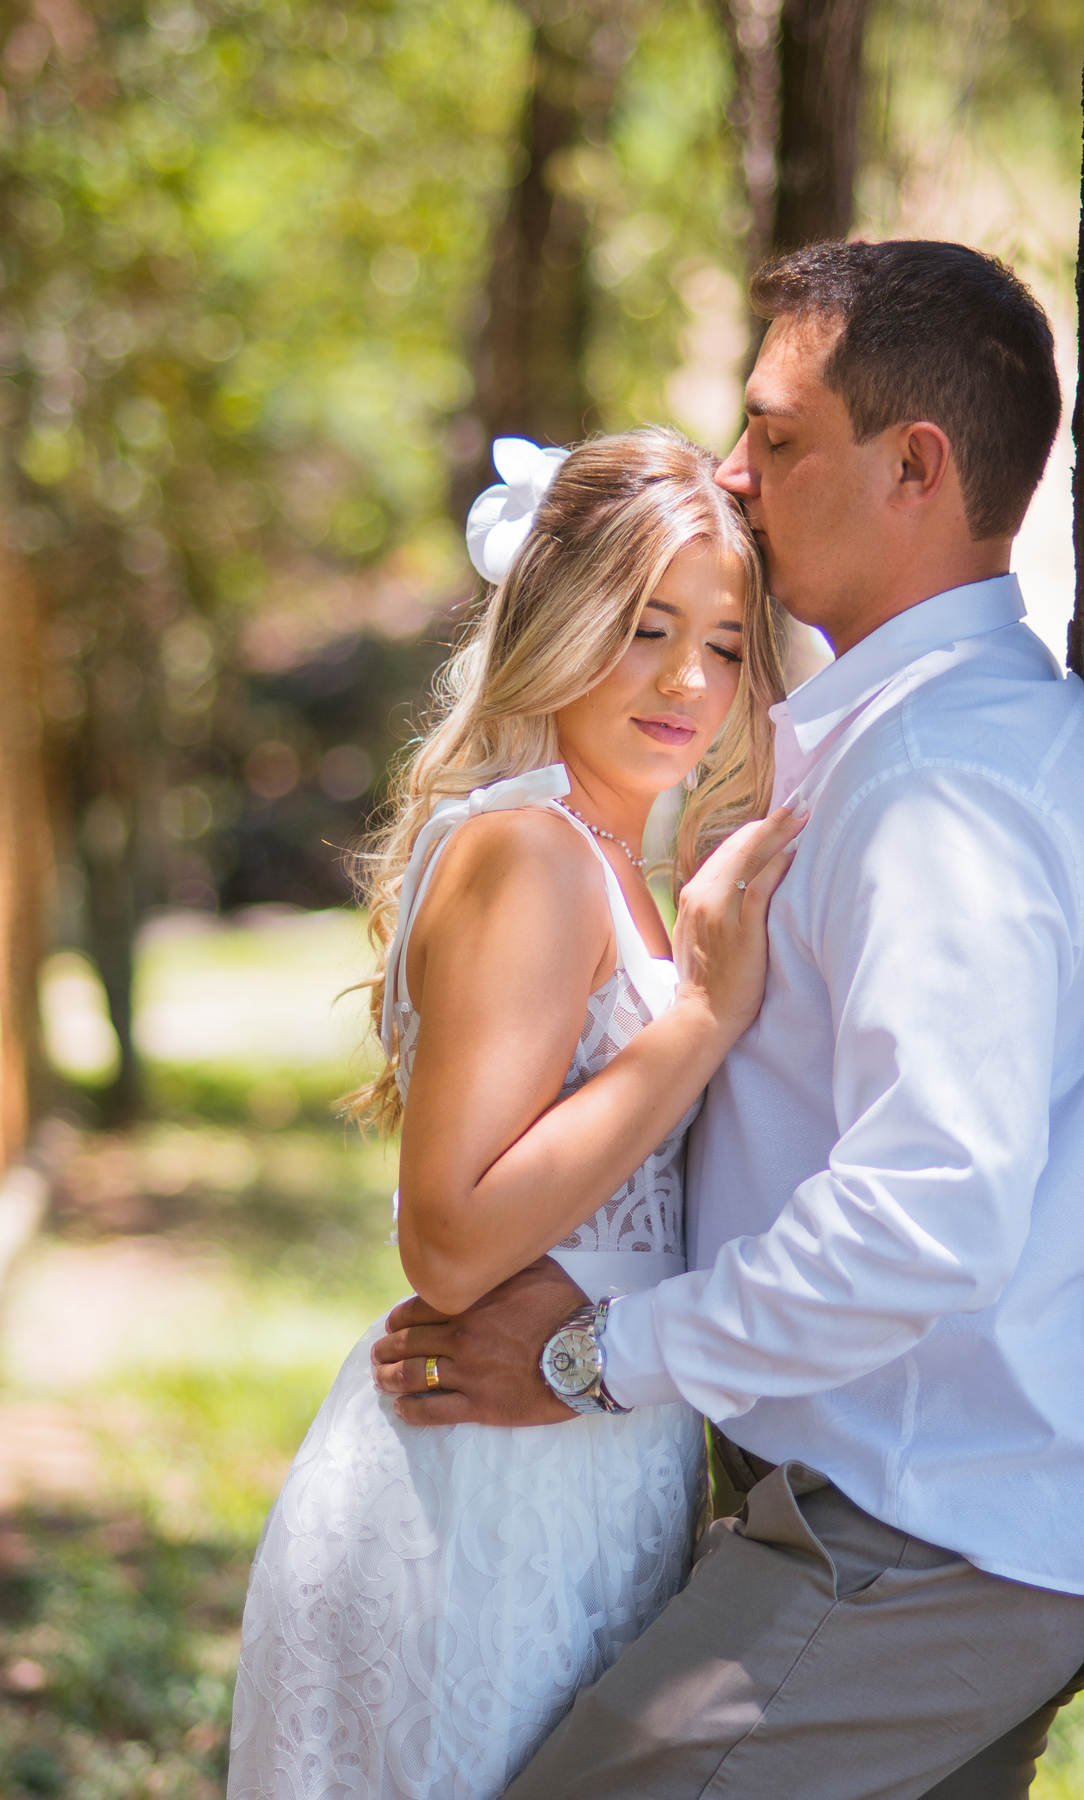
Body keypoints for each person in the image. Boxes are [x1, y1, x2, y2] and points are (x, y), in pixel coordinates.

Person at [373, 240, 1084, 1799]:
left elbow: (927, 1215)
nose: (736, 469)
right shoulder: (896, 742)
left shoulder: (947, 785)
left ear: (913, 466)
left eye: (779, 436)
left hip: (913, 1533)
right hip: (889, 1511)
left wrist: (597, 1361)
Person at [227, 427, 806, 1800]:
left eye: (726, 645)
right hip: (482, 1490)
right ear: (555, 618)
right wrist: (703, 1026)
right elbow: (451, 1239)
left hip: (577, 1458)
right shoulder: (533, 851)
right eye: (645, 625)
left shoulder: (610, 855)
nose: (687, 679)